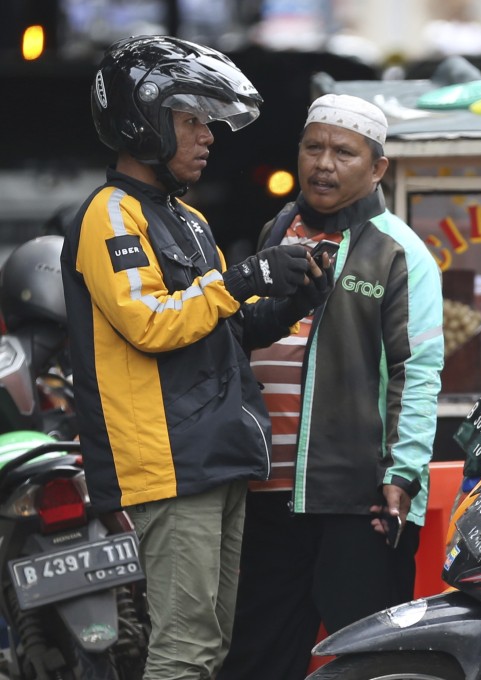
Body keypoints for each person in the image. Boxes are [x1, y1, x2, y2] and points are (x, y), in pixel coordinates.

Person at [62, 36, 331, 680]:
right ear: (141, 119)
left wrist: (294, 295)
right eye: (192, 120)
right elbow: (151, 323)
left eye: (209, 123)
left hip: (214, 454)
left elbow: (227, 329)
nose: (208, 136)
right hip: (168, 463)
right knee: (184, 648)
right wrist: (245, 275)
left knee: (208, 646)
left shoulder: (187, 218)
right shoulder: (111, 215)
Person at [219, 94, 445, 680]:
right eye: (312, 147)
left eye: (343, 152)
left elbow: (416, 373)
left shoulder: (401, 252)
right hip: (269, 493)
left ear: (377, 169)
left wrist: (403, 476)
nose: (323, 163)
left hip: (360, 501)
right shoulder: (277, 229)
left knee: (368, 664)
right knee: (256, 659)